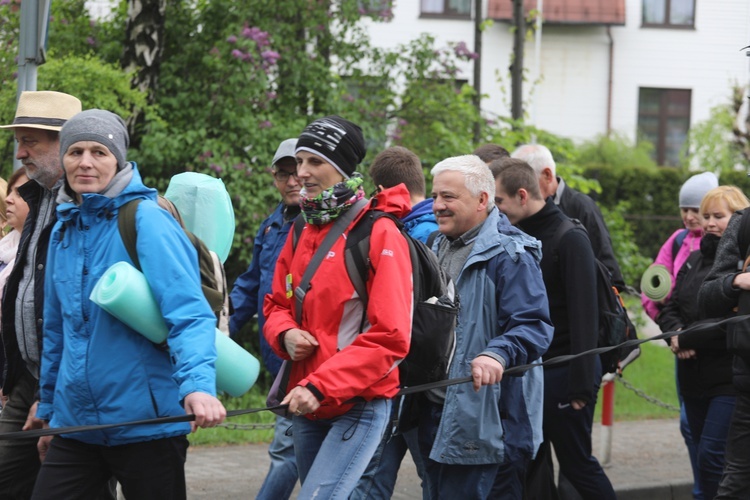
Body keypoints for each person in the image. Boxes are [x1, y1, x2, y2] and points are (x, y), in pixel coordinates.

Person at [31, 109, 226, 499]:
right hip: (77, 425)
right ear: (64, 158)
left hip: (148, 423)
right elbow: (57, 330)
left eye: (99, 152)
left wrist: (198, 387)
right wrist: (49, 408)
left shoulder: (147, 220)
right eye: (76, 151)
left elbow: (188, 314)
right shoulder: (62, 230)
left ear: (117, 159)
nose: (85, 162)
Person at [262, 116, 412, 498]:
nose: (302, 174)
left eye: (315, 162)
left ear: (342, 167)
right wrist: (284, 333)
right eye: (300, 161)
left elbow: (391, 336)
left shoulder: (378, 231)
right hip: (308, 403)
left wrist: (320, 384)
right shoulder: (301, 228)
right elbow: (276, 303)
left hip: (358, 403)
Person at [418, 154, 553, 499]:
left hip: (491, 423)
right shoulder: (435, 244)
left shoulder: (512, 253)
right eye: (435, 196)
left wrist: (497, 354)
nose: (437, 206)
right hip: (437, 414)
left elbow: (533, 325)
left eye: (448, 197)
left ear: (482, 200)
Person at [492, 158, 616, 500]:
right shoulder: (516, 233)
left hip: (564, 374)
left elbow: (584, 316)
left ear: (521, 195)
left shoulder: (569, 236)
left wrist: (581, 387)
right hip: (531, 373)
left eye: (499, 201)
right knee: (530, 460)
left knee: (577, 465)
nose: (496, 210)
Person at [0, 90, 83, 498]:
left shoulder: (88, 204)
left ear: (64, 142)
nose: (20, 153)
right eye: (18, 141)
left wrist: (55, 396)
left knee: (76, 484)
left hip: (70, 380)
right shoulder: (38, 195)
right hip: (26, 377)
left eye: (29, 141)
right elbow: (25, 288)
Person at [658, 186, 750, 499]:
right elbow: (671, 305)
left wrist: (686, 336)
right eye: (705, 215)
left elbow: (727, 323)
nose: (709, 222)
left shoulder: (741, 265)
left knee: (714, 455)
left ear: (737, 219)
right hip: (691, 375)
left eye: (718, 216)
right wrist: (674, 334)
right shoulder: (693, 258)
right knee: (700, 453)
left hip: (726, 376)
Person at [353, 145, 433, 499]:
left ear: (382, 190)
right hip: (411, 378)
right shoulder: (431, 226)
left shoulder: (409, 234)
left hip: (407, 378)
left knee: (373, 479)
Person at [230, 138, 300, 499]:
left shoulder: (320, 225)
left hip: (305, 360)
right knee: (301, 449)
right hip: (277, 357)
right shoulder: (272, 225)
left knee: (286, 451)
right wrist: (221, 326)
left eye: (297, 173)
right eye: (283, 174)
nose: (291, 182)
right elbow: (250, 282)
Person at [643, 170, 718, 499]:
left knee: (716, 436)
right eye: (684, 209)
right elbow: (653, 294)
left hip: (716, 353)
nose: (690, 216)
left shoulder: (728, 244)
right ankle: (703, 488)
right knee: (690, 426)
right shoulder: (675, 242)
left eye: (697, 209)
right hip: (681, 349)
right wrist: (675, 334)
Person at [511, 143, 625, 290]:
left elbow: (608, 270)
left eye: (525, 181)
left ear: (547, 175)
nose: (520, 190)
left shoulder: (581, 206)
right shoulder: (521, 211)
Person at [699, 194, 750, 499]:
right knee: (734, 485)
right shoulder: (743, 224)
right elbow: (707, 298)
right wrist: (736, 281)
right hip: (747, 384)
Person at [0, 169, 31, 411]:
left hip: (16, 370)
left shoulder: (36, 252)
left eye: (19, 193)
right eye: (9, 191)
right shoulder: (5, 248)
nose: (9, 198)